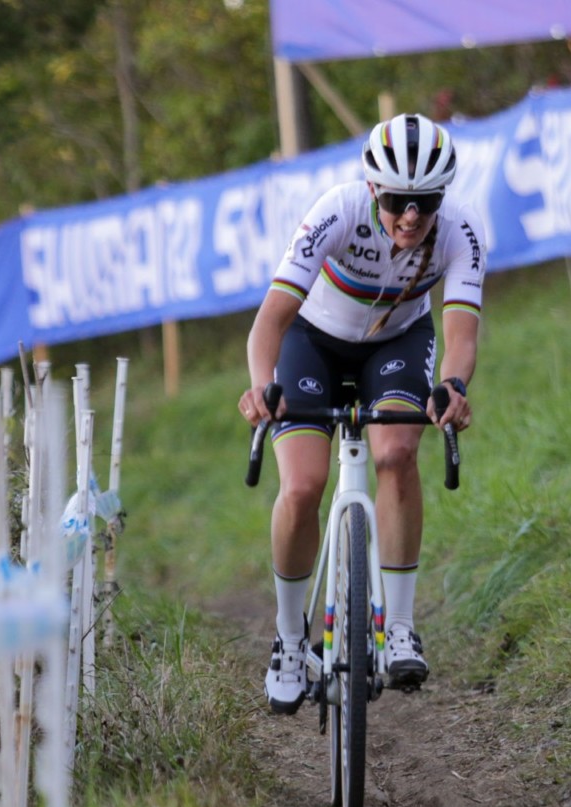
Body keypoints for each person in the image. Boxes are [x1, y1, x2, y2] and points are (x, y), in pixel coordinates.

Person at [239, 113, 486, 715]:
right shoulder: (338, 210)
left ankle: (399, 626)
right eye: (399, 199)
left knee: (397, 452)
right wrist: (262, 388)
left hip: (396, 345)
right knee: (302, 486)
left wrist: (452, 385)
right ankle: (292, 642)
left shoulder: (460, 231)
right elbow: (269, 321)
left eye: (424, 201)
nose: (410, 215)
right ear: (375, 191)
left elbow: (460, 333)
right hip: (312, 341)